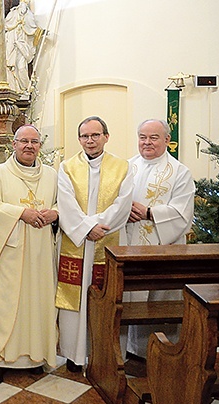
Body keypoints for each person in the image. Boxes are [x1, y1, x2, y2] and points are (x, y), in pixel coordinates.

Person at [0, 125, 59, 384]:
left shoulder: (52, 176)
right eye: (24, 142)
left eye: (34, 142)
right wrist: (22, 213)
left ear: (40, 146)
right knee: (3, 302)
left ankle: (34, 357)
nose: (29, 146)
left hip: (40, 252)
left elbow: (61, 203)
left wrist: (55, 213)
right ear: (14, 144)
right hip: (5, 252)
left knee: (36, 301)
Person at [56, 115, 134, 372]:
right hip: (76, 243)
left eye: (95, 135)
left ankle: (102, 354)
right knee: (73, 301)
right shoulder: (67, 167)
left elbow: (122, 205)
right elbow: (65, 204)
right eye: (85, 136)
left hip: (106, 240)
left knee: (104, 299)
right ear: (79, 139)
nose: (90, 140)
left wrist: (96, 226)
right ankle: (73, 355)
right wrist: (86, 228)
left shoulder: (123, 167)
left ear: (106, 137)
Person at [125, 119, 195, 358]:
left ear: (167, 140)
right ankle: (129, 351)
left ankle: (160, 355)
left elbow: (183, 213)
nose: (147, 142)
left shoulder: (179, 172)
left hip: (162, 250)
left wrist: (148, 213)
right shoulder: (126, 167)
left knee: (158, 300)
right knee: (128, 298)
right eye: (142, 137)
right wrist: (123, 212)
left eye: (154, 137)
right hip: (128, 246)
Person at [4, 0, 40, 93]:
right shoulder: (13, 13)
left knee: (21, 68)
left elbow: (33, 28)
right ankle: (13, 88)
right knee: (10, 67)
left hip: (22, 46)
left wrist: (40, 32)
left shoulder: (29, 15)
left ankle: (24, 88)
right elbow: (6, 24)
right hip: (12, 44)